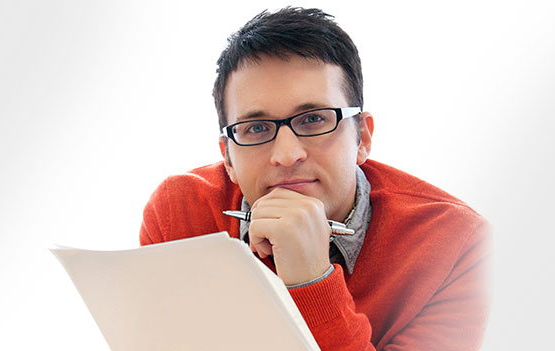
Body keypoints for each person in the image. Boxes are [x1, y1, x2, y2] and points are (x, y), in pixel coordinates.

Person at [139, 7, 491, 350]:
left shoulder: (457, 244)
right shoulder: (178, 213)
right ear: (227, 157)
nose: (287, 155)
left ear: (363, 138)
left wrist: (312, 281)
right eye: (256, 128)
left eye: (313, 120)